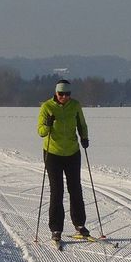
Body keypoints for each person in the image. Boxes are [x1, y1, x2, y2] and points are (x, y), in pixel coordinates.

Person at [37, 79, 90, 241]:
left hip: (72, 152)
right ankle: (56, 228)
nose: (64, 97)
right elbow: (41, 132)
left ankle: (80, 224)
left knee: (75, 189)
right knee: (57, 191)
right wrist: (48, 124)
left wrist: (84, 137)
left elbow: (82, 124)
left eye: (67, 94)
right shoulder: (47, 107)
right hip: (52, 154)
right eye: (61, 94)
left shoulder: (75, 105)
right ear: (56, 93)